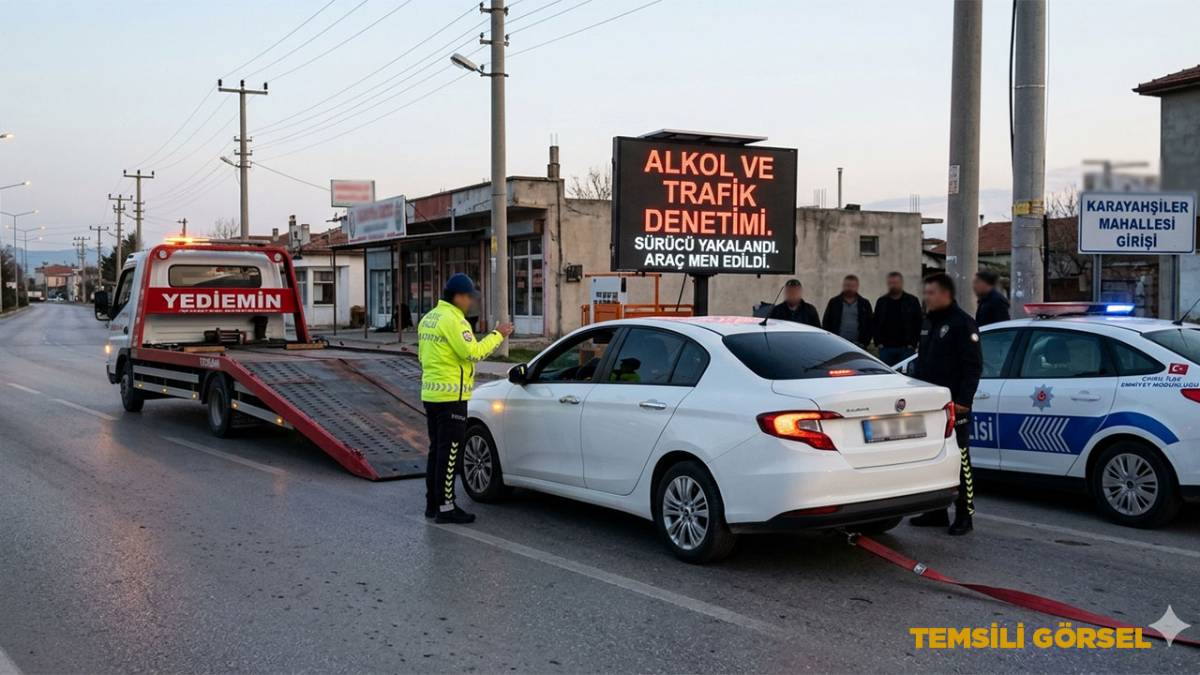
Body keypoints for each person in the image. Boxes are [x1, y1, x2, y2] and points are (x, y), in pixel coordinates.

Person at [418, 273, 513, 524]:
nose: (471, 302)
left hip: (431, 394)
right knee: (450, 454)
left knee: (436, 451)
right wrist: (498, 335)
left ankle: (433, 504)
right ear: (458, 296)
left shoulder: (429, 318)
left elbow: (424, 357)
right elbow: (472, 353)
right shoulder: (454, 321)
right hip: (451, 397)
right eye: (469, 297)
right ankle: (447, 508)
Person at [910, 273, 983, 535]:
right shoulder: (928, 322)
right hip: (929, 405)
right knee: (932, 457)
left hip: (955, 406)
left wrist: (964, 400)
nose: (926, 297)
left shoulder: (962, 324)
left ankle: (965, 514)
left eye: (931, 293)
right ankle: (936, 511)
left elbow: (973, 367)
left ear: (945, 294)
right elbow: (923, 361)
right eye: (925, 292)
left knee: (961, 459)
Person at [873, 271, 923, 366]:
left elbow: (918, 322)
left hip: (906, 348)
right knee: (888, 377)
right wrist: (878, 342)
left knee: (907, 377)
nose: (893, 285)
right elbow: (875, 322)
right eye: (890, 283)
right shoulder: (882, 301)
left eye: (895, 283)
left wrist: (913, 343)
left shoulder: (912, 301)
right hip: (885, 348)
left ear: (901, 283)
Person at [822, 274, 873, 347]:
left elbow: (870, 324)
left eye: (852, 286)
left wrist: (865, 342)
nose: (849, 288)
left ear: (857, 287)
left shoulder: (864, 303)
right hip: (837, 343)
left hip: (858, 345)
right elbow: (826, 322)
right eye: (847, 285)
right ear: (843, 286)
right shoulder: (834, 302)